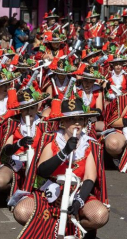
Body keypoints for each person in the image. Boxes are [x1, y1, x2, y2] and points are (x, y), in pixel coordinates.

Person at [12, 96, 109, 239]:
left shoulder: (90, 144)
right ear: (63, 122)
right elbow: (42, 170)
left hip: (76, 192)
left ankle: (79, 230)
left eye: (80, 119)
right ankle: (46, 229)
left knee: (100, 215)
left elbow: (89, 178)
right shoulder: (50, 139)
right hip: (50, 191)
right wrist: (64, 152)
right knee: (21, 211)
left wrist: (78, 201)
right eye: (72, 119)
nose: (77, 123)